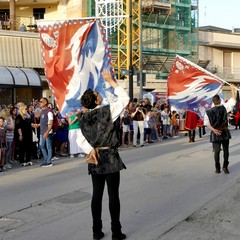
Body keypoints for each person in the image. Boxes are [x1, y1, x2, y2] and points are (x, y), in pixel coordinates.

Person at [77, 69, 129, 240]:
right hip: (110, 156)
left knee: (96, 195)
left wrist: (91, 150)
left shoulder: (83, 118)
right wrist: (112, 82)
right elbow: (125, 99)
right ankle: (116, 231)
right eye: (97, 94)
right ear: (96, 99)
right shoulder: (107, 111)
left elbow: (80, 140)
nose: (99, 94)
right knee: (113, 194)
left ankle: (96, 231)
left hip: (96, 158)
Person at [204, 84, 236, 174]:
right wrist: (232, 89)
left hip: (215, 133)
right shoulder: (225, 107)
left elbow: (206, 123)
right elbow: (233, 100)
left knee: (216, 151)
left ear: (213, 102)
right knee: (226, 150)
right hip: (224, 131)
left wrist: (214, 130)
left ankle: (217, 168)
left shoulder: (208, 111)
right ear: (219, 100)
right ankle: (225, 167)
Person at [39, 97, 54, 167]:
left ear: (45, 102)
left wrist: (47, 132)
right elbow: (43, 122)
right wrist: (37, 125)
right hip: (42, 131)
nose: (40, 103)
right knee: (41, 145)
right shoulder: (42, 111)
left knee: (48, 146)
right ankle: (46, 159)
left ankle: (49, 161)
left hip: (47, 132)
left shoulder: (49, 111)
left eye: (41, 101)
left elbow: (51, 123)